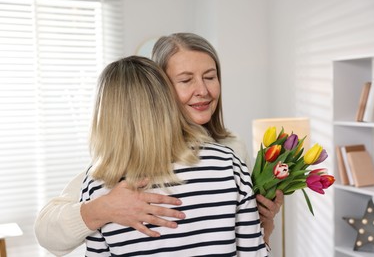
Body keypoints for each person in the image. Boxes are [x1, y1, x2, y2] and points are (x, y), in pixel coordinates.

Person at [34, 32, 283, 256]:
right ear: (159, 88)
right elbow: (47, 232)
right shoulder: (110, 172)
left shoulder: (232, 151)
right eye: (186, 80)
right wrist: (102, 209)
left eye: (210, 76)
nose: (203, 90)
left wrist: (265, 221)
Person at [80, 55, 267, 256]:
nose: (202, 91)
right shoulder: (227, 164)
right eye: (186, 80)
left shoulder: (97, 185)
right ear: (168, 100)